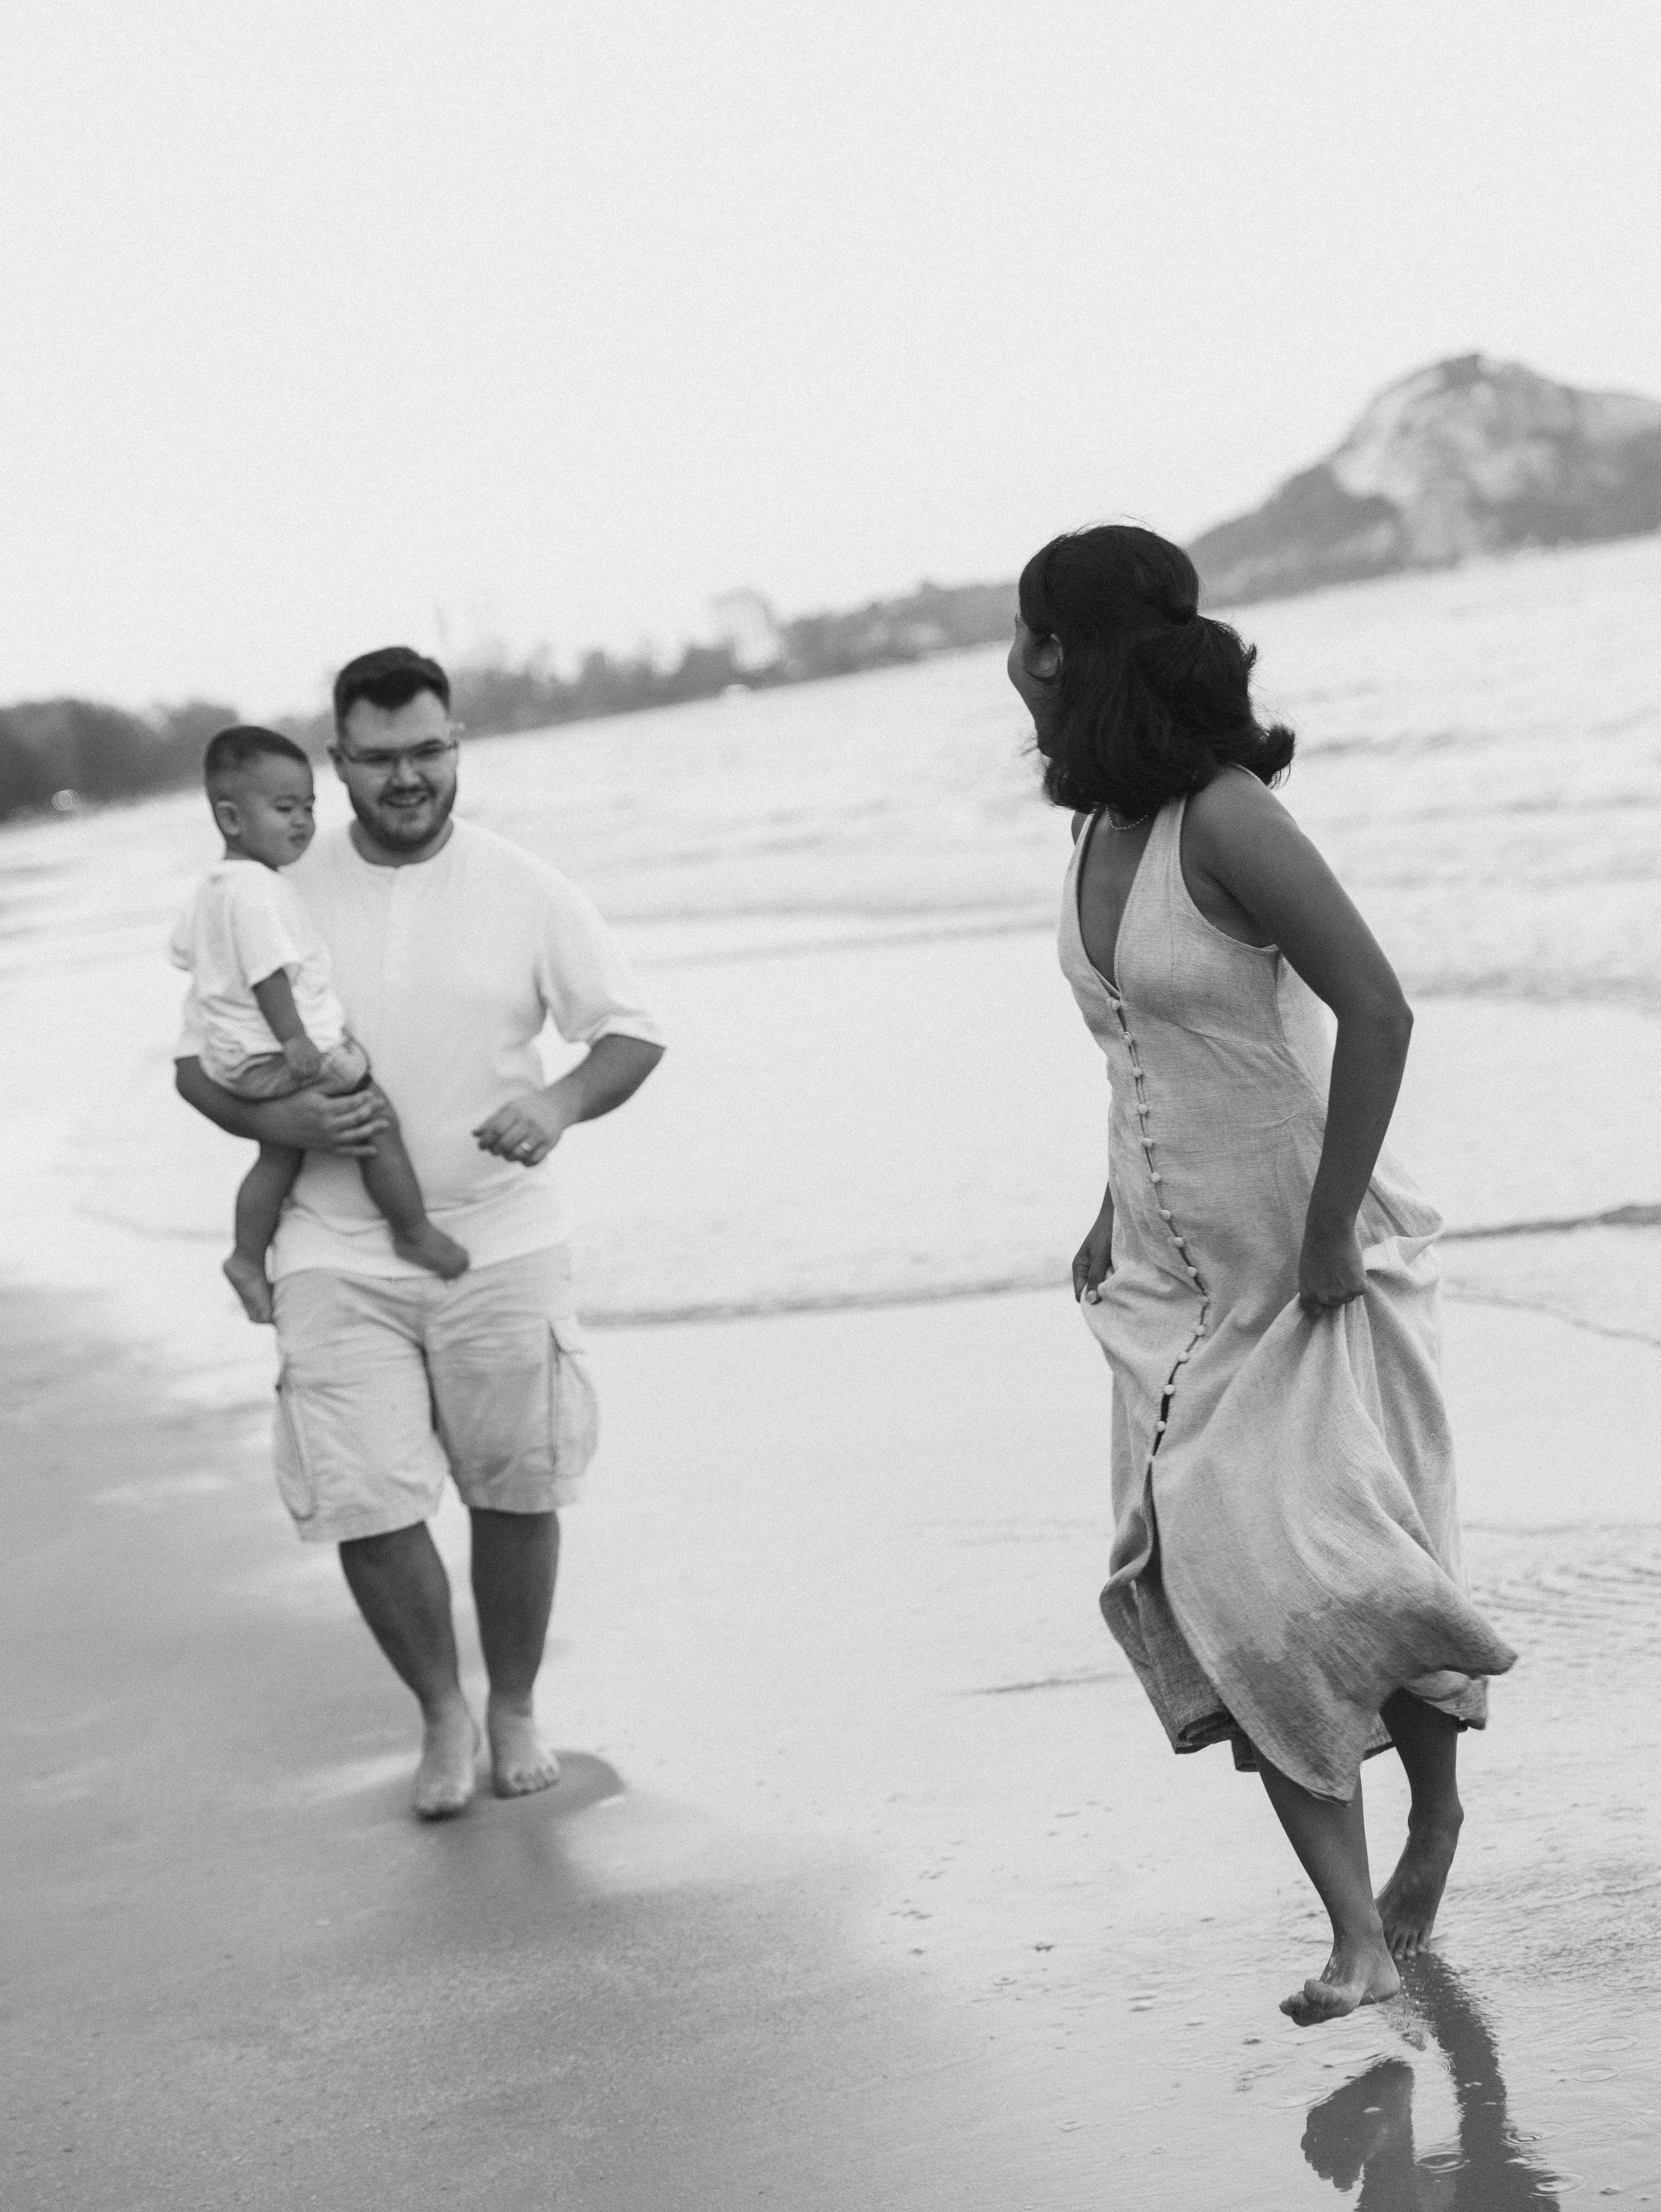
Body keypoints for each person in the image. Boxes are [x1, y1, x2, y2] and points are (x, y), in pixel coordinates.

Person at [1008, 525, 1514, 2023]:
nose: (1011, 665)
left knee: (1355, 1569)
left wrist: (1331, 1229)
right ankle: (1356, 1936)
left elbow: (1376, 1010)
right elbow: (1141, 1056)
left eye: (1025, 636)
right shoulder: (1091, 833)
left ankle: (1432, 1816)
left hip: (1311, 1258)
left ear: (1064, 651)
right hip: (1170, 1279)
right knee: (1224, 1588)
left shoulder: (1224, 818)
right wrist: (1106, 1207)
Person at [175, 646, 664, 1820]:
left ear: (457, 747)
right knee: (369, 1499)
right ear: (337, 761)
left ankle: (515, 1709)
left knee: (517, 1485)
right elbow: (197, 1063)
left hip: (501, 1238)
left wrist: (557, 1105)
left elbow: (630, 1032)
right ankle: (443, 1712)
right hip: (330, 1246)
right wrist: (281, 1119)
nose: (408, 778)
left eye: (428, 752)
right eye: (380, 758)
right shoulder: (272, 885)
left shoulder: (526, 887)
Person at [171, 725, 468, 1324]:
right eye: (285, 809)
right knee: (373, 1115)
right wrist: (296, 1040)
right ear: (231, 819)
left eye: (309, 807)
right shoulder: (258, 891)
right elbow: (268, 975)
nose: (303, 822)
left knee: (279, 1155)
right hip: (280, 1052)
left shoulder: (212, 889)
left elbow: (187, 955)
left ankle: (246, 1259)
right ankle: (412, 1230)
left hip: (236, 1058)